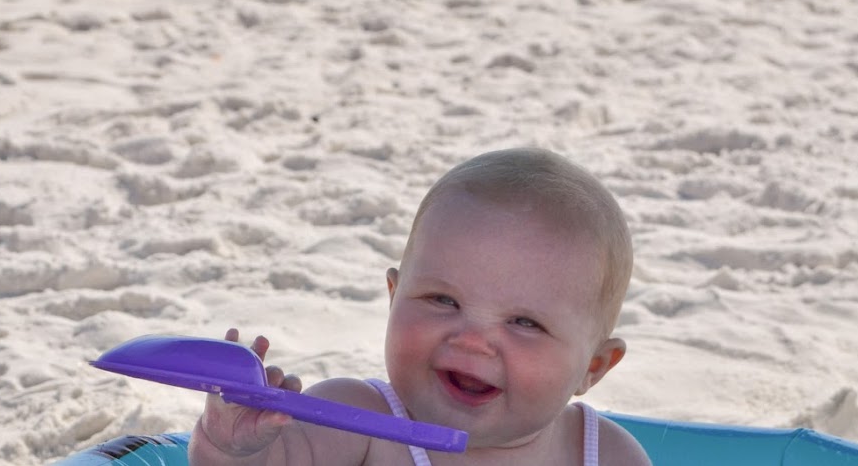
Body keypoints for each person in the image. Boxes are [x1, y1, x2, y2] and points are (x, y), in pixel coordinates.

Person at [189, 147, 651, 466]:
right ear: (394, 298)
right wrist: (233, 445)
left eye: (524, 322)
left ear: (594, 365)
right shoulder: (358, 423)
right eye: (442, 300)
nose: (471, 340)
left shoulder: (606, 455)